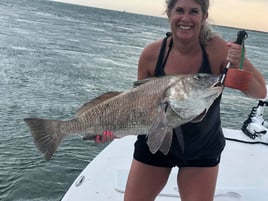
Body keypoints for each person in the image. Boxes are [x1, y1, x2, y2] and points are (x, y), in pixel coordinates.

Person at [124, 0, 267, 201]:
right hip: (155, 142)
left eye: (194, 11)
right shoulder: (152, 54)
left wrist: (240, 62)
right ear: (169, 14)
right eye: (179, 10)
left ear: (204, 16)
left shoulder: (218, 50)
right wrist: (110, 129)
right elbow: (139, 105)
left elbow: (259, 92)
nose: (186, 18)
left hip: (202, 147)